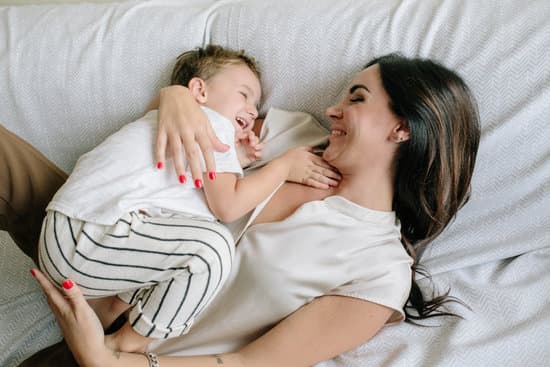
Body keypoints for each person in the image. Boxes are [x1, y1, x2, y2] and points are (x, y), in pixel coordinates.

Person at [7, 53, 479, 366]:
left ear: (403, 128)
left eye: (356, 99)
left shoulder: (380, 273)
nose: (334, 109)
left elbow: (242, 366)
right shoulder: (293, 135)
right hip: (108, 237)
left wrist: (102, 360)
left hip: (122, 350)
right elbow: (201, 118)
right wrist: (174, 98)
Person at [34, 45, 340, 354]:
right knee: (211, 249)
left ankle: (109, 311)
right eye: (244, 94)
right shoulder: (208, 122)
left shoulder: (179, 125)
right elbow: (228, 206)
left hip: (77, 235)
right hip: (85, 236)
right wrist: (283, 166)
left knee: (179, 233)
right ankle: (127, 343)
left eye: (257, 103)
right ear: (199, 91)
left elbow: (202, 188)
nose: (252, 109)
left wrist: (237, 159)